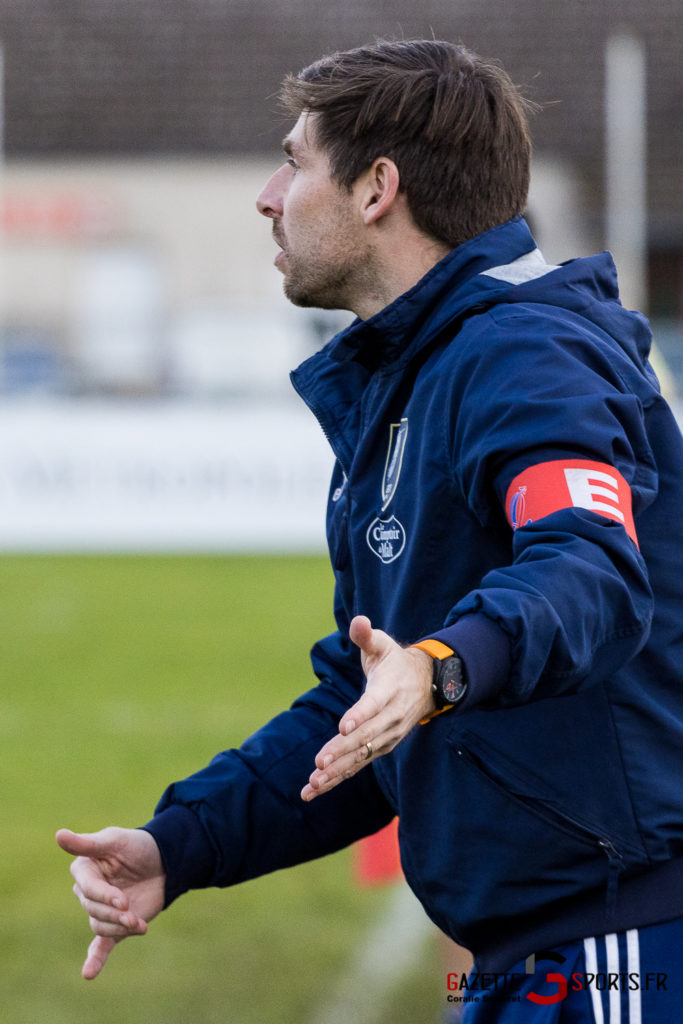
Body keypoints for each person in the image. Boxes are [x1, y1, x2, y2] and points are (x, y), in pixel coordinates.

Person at [57, 39, 683, 1021]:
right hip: (537, 949)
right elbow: (360, 713)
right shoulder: (417, 377)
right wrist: (180, 845)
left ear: (376, 188)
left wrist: (437, 664)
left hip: (619, 940)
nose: (268, 193)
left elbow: (585, 565)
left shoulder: (527, 352)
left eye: (295, 159)